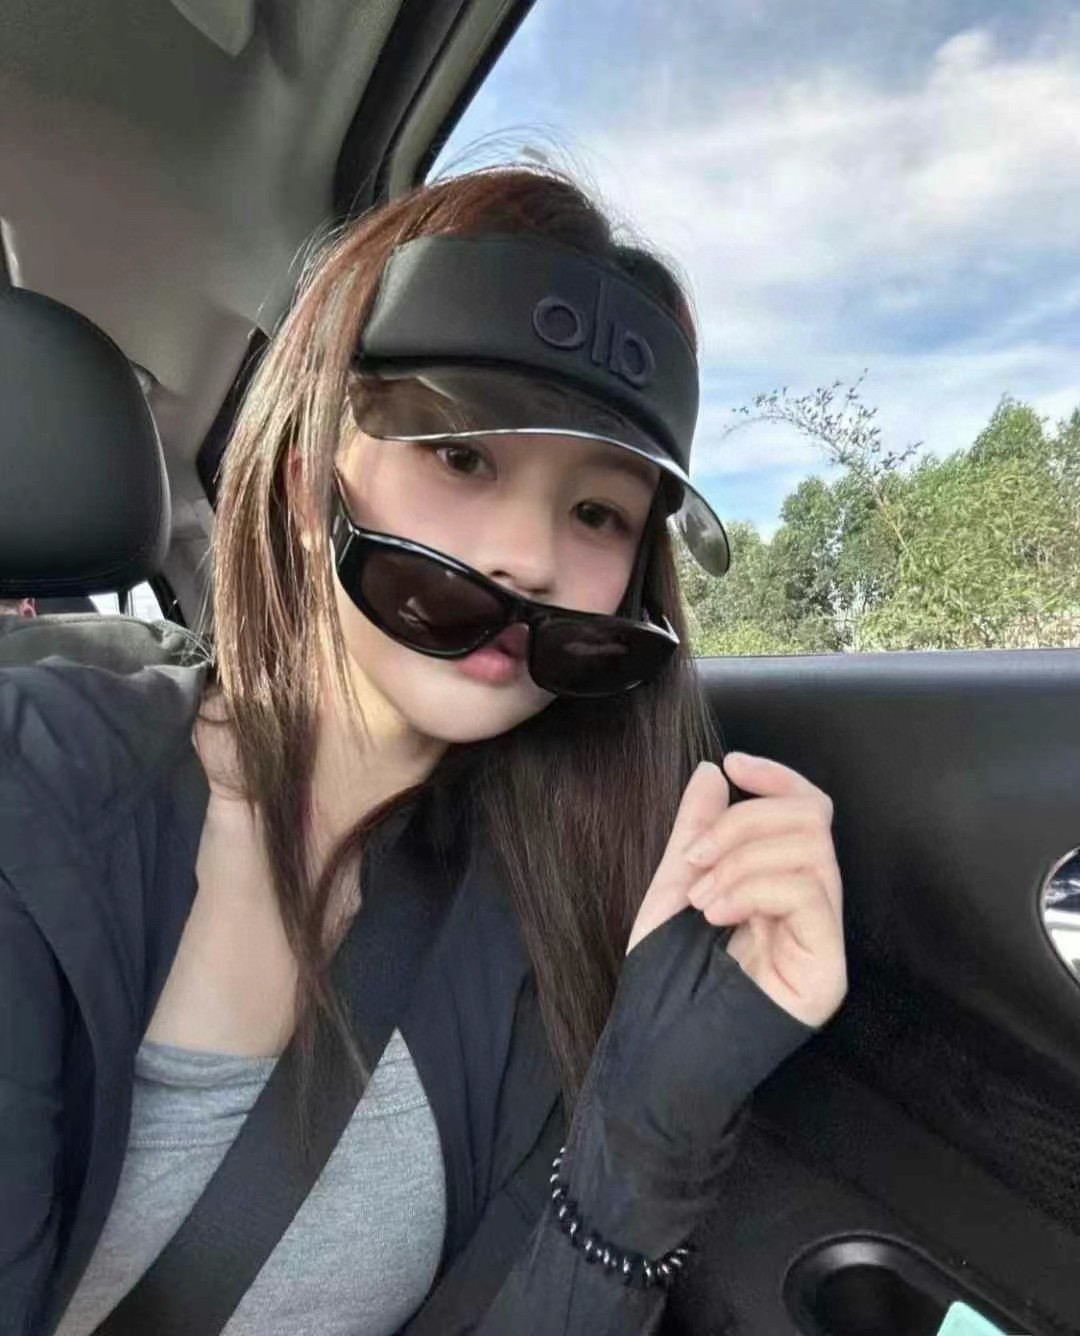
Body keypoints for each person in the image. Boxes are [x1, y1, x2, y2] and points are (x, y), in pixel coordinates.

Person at [0, 165, 847, 1336]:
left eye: (597, 512)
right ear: (307, 474)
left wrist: (646, 1122)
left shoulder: (552, 896)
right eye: (462, 457)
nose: (530, 557)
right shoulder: (35, 793)